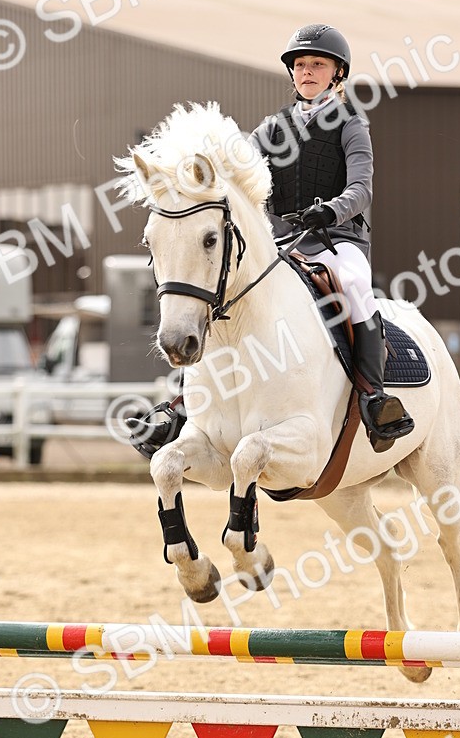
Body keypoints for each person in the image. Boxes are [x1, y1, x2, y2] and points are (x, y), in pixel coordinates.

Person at [131, 23, 415, 458]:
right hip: (282, 246)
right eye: (301, 65)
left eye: (317, 65)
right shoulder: (272, 128)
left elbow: (362, 189)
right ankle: (185, 405)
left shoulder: (351, 126)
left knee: (356, 288)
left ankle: (374, 396)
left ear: (337, 74)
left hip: (336, 241)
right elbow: (234, 170)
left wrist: (331, 210)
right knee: (221, 297)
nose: (307, 72)